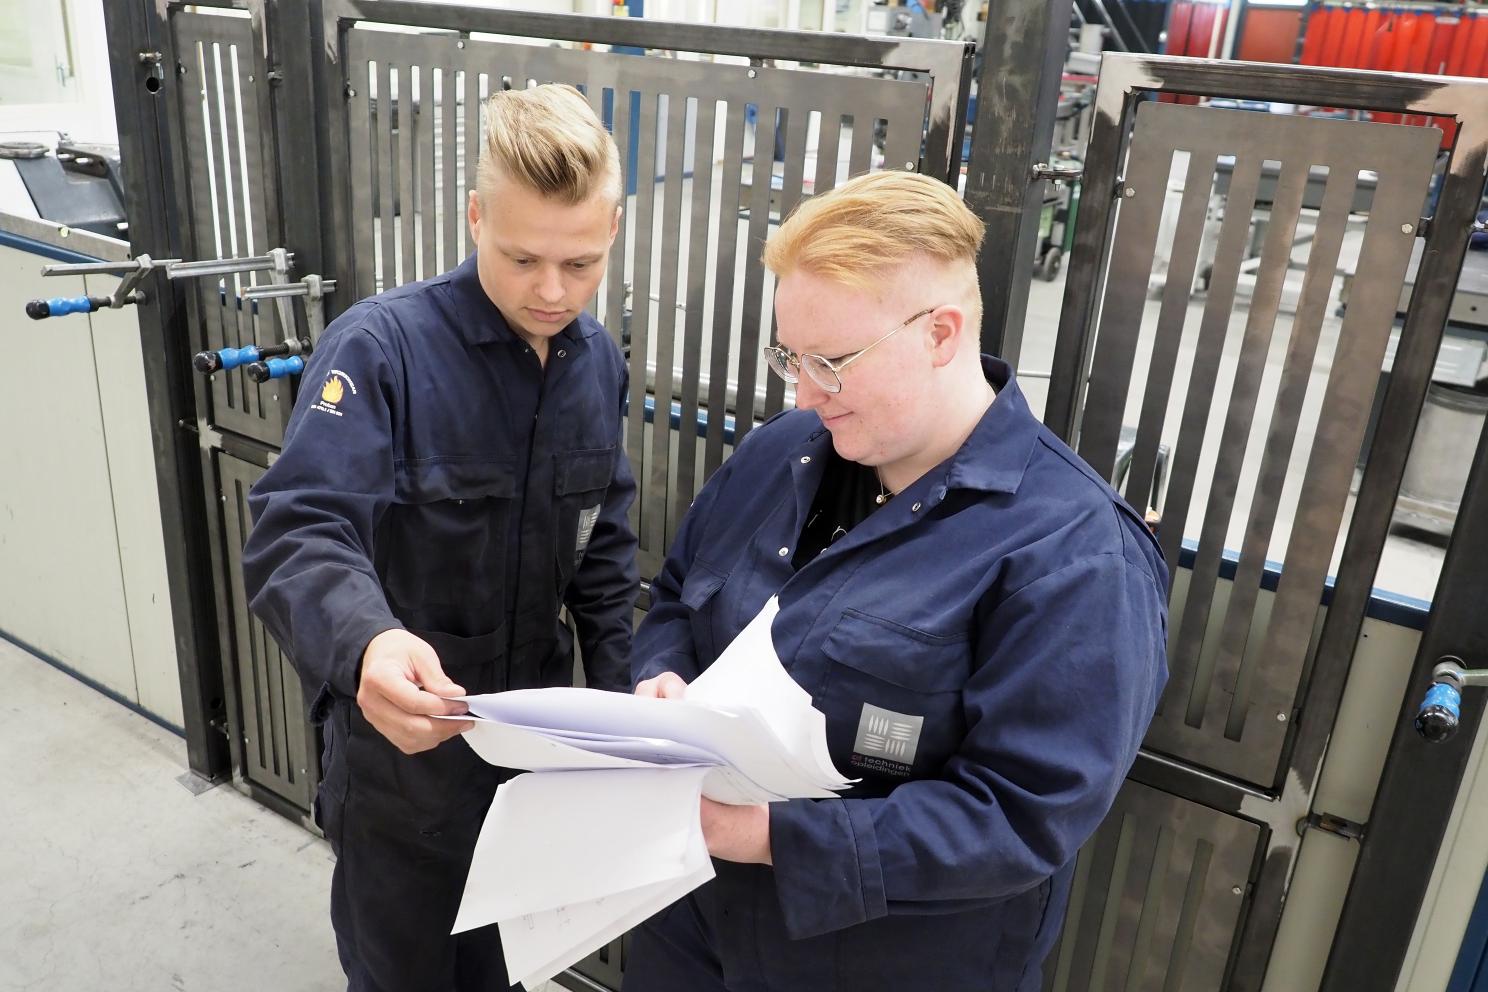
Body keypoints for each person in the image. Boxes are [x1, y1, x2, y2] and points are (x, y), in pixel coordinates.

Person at [626, 170, 1168, 991]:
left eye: (832, 363)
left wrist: (769, 836)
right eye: (789, 358)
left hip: (876, 958)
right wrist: (659, 678)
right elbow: (675, 594)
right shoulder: (786, 452)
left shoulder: (1074, 551)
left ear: (941, 334)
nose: (805, 392)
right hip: (694, 920)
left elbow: (1021, 815)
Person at [242, 83, 638, 992]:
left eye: (580, 264)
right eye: (521, 257)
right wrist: (368, 641)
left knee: (503, 975)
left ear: (614, 226)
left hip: (530, 771)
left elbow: (604, 549)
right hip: (401, 779)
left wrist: (626, 719)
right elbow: (299, 524)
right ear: (473, 216)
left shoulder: (595, 364)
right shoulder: (380, 351)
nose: (551, 290)